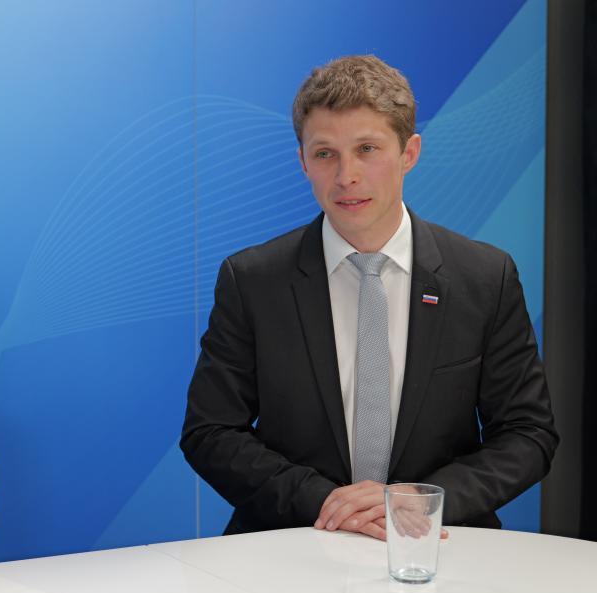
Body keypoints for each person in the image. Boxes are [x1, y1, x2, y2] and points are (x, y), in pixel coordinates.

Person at [180, 55, 558, 540]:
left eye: (367, 149)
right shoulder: (252, 280)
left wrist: (418, 500)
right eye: (325, 153)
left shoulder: (485, 277)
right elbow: (210, 431)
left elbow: (528, 434)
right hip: (294, 540)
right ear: (302, 162)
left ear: (409, 153)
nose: (346, 176)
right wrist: (326, 502)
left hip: (435, 543)